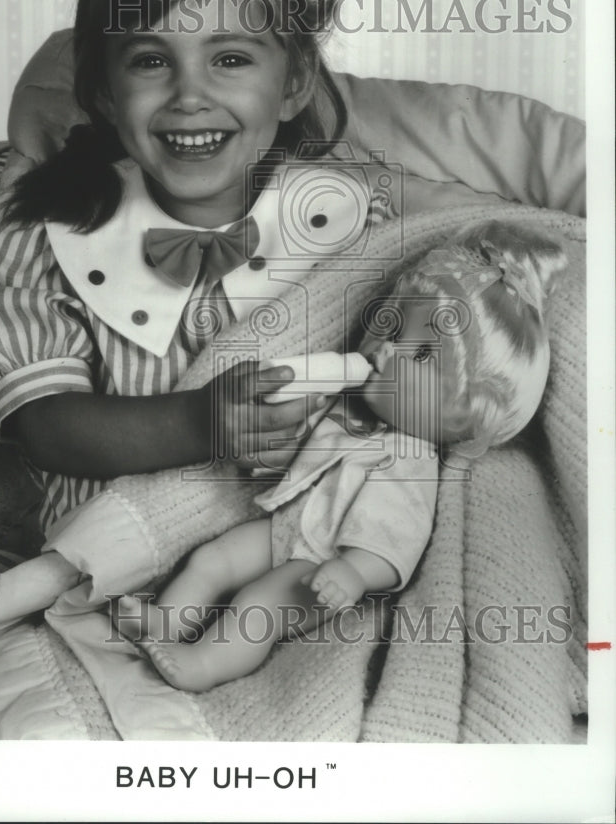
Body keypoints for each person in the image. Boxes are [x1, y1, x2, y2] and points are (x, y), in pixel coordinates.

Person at [0, 0, 398, 617]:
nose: (188, 95)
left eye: (231, 59)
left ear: (296, 80)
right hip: (92, 584)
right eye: (150, 60)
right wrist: (199, 422)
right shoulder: (27, 236)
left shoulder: (351, 223)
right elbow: (42, 422)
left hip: (293, 583)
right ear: (105, 89)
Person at [110, 220, 567, 692]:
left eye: (423, 353)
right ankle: (164, 622)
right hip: (285, 529)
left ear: (464, 411)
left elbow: (395, 537)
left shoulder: (409, 461)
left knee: (259, 605)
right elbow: (307, 460)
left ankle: (203, 666)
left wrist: (352, 572)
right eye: (395, 327)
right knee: (212, 559)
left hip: (322, 569)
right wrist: (274, 454)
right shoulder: (349, 408)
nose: (389, 350)